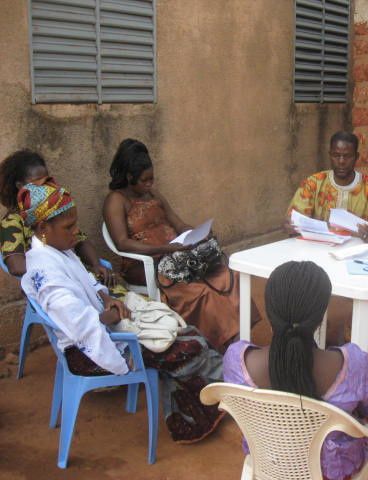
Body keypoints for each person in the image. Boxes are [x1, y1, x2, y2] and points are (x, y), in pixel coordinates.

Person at [18, 180, 226, 443]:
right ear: (42, 228)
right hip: (88, 351)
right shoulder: (46, 274)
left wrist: (106, 298)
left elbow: (89, 282)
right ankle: (218, 403)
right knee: (190, 346)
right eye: (69, 227)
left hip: (104, 329)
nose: (76, 231)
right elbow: (80, 325)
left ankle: (196, 413)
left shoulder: (57, 252)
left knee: (188, 335)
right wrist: (108, 319)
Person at [222, 261, 368, 480]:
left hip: (269, 462)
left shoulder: (236, 361)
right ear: (318, 318)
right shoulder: (353, 364)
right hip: (332, 472)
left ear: (270, 311)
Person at [103, 139, 259, 351]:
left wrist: (197, 234)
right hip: (150, 265)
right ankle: (228, 347)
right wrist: (166, 249)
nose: (150, 185)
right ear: (130, 177)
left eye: (152, 179)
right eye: (145, 180)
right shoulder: (116, 200)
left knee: (229, 277)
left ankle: (238, 340)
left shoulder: (153, 195)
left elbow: (178, 223)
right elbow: (123, 243)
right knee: (202, 292)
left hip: (179, 257)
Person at [0, 150, 116, 286]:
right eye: (38, 184)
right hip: (54, 283)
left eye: (47, 182)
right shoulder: (12, 222)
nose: (46, 188)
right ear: (20, 186)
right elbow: (16, 267)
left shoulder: (53, 209)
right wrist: (61, 270)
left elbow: (80, 240)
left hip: (79, 278)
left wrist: (96, 264)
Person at [285, 131, 368, 243]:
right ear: (330, 155)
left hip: (358, 252)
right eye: (336, 155)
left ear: (356, 157)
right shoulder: (313, 183)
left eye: (347, 156)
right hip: (319, 249)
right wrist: (292, 225)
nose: (341, 161)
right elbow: (296, 218)